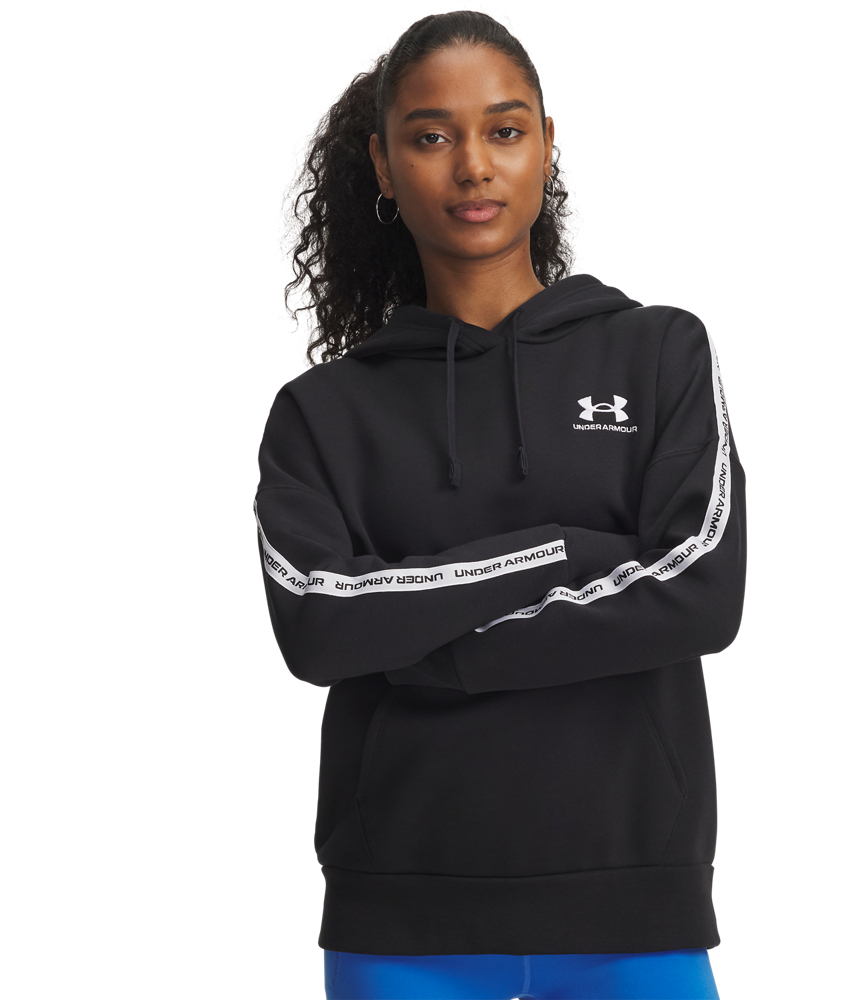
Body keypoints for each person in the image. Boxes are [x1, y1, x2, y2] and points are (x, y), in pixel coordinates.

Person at [254, 11, 746, 1000]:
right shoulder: (323, 412)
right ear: (384, 165)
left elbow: (699, 591)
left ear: (545, 144)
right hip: (403, 915)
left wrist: (424, 647)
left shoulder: (657, 354)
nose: (472, 165)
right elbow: (317, 624)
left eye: (505, 130)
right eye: (431, 136)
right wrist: (562, 549)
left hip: (631, 903)